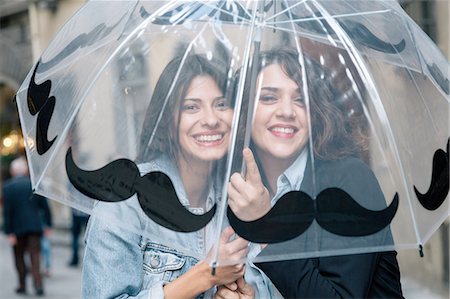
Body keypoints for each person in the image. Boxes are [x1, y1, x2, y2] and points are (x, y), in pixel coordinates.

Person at [82, 54, 275, 298]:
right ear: (168, 122)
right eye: (191, 107)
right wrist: (205, 275)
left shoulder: (239, 202)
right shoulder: (125, 200)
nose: (211, 120)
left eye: (221, 104)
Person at [219, 48, 404, 298]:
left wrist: (265, 226)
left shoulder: (350, 183)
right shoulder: (236, 189)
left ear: (316, 112)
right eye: (269, 98)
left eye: (300, 99)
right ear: (244, 110)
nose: (286, 111)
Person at [2, 156, 51, 296]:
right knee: (35, 256)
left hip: (17, 229)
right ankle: (38, 284)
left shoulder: (8, 187)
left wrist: (9, 231)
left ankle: (22, 284)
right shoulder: (34, 184)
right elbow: (44, 206)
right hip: (34, 226)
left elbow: (7, 212)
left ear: (13, 171)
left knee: (19, 257)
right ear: (25, 170)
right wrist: (48, 224)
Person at [39, 196, 53, 276]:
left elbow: (46, 209)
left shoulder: (39, 193)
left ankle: (47, 267)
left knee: (45, 246)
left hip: (42, 223)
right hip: (37, 223)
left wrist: (48, 225)